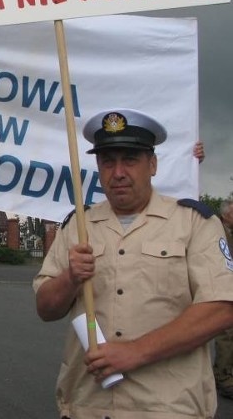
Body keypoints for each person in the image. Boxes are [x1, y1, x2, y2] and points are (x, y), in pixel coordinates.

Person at [33, 108, 233, 419]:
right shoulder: (78, 225)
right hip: (87, 406)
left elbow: (221, 308)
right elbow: (46, 308)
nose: (119, 172)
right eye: (108, 161)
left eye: (130, 159)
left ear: (152, 164)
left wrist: (137, 351)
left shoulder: (194, 222)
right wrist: (70, 278)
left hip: (168, 408)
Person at [214, 199, 233, 398]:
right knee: (226, 335)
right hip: (225, 287)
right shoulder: (219, 231)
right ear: (226, 215)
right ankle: (224, 376)